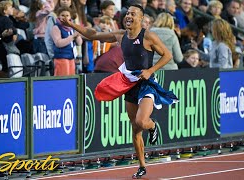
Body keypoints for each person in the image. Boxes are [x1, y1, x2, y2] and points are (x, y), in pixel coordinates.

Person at [62, 4, 176, 179]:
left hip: (145, 84)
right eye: (127, 13)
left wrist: (150, 70)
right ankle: (142, 165)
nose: (129, 16)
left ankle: (153, 126)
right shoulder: (121, 35)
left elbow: (167, 55)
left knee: (141, 120)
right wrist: (72, 25)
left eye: (133, 14)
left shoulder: (148, 36)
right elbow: (93, 35)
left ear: (141, 18)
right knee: (135, 127)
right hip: (129, 84)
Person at [51, 6, 83, 76]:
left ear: (70, 17)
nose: (65, 17)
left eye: (67, 15)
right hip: (61, 57)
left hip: (71, 57)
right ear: (58, 16)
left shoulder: (72, 27)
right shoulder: (56, 27)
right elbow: (58, 43)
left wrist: (77, 35)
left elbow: (79, 43)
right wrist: (72, 37)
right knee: (63, 79)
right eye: (62, 15)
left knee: (71, 78)